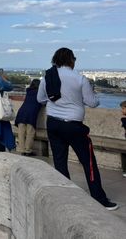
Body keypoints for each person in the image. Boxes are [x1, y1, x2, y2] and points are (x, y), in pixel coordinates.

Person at [37, 47, 118, 210]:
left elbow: (40, 99)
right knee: (88, 162)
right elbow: (92, 102)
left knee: (59, 161)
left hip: (53, 123)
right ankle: (99, 198)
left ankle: (65, 197)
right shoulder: (79, 79)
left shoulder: (48, 77)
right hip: (73, 125)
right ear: (71, 60)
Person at [14, 79, 42, 156]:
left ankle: (22, 150)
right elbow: (43, 101)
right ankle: (28, 150)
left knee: (21, 132)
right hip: (31, 114)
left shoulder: (28, 91)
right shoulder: (39, 93)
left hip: (22, 112)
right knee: (30, 132)